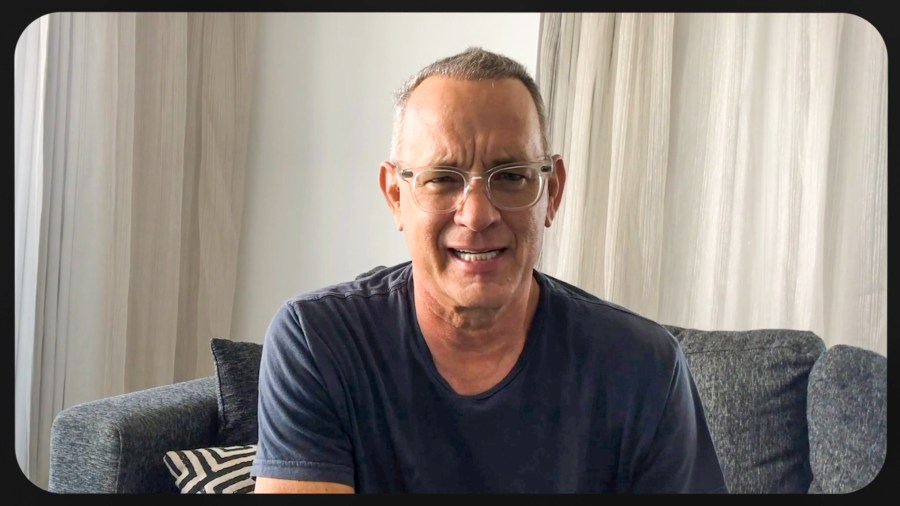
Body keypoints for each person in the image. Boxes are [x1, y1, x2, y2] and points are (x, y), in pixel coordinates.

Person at [250, 47, 727, 494]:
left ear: (552, 192)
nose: (476, 215)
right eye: (442, 179)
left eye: (512, 176)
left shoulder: (644, 367)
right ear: (396, 196)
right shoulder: (318, 341)